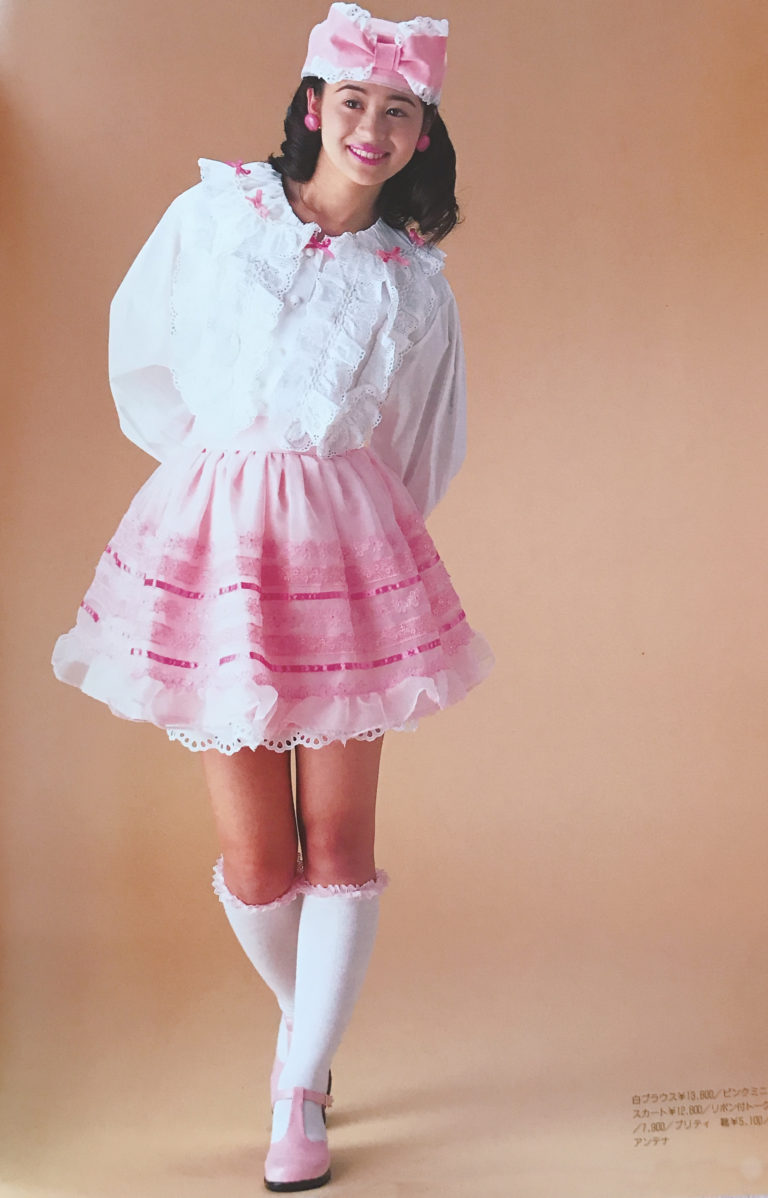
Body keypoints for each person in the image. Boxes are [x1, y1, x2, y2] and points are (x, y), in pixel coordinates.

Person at [51, 2, 494, 1190]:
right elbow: (141, 356)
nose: (371, 127)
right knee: (258, 860)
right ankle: (312, 1027)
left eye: (398, 110)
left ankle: (296, 1088)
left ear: (420, 134)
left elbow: (422, 445)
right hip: (217, 548)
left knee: (338, 843)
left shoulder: (411, 284)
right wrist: (224, 482)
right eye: (353, 101)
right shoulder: (213, 217)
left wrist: (336, 515)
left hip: (345, 555)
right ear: (313, 105)